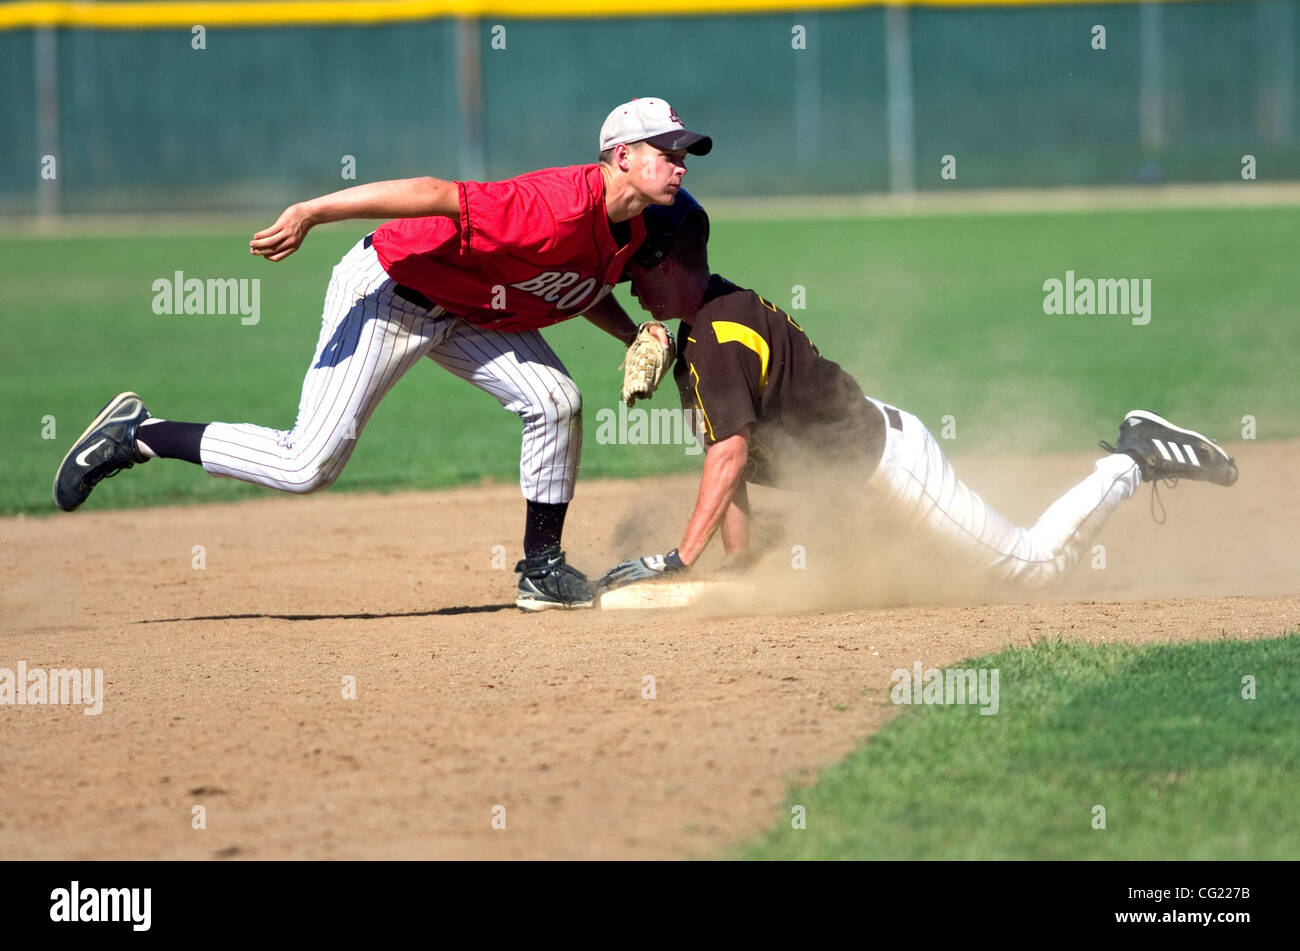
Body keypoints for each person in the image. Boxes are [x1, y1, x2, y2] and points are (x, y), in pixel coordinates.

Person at [52, 98, 709, 611]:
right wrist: (312, 211)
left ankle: (540, 571)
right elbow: (432, 192)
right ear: (620, 155)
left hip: (469, 309)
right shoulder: (553, 206)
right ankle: (138, 434)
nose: (680, 165)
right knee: (307, 463)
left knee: (556, 400)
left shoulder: (633, 227)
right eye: (667, 152)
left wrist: (632, 335)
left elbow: (570, 281)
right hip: (395, 288)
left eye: (685, 154)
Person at [598, 192, 1238, 593]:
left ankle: (1135, 455)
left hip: (894, 471)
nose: (631, 286)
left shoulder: (716, 340)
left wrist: (681, 560)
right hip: (861, 482)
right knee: (925, 578)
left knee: (1032, 570)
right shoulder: (706, 322)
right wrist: (737, 562)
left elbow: (729, 456)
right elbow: (732, 455)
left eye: (637, 270)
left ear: (672, 262)